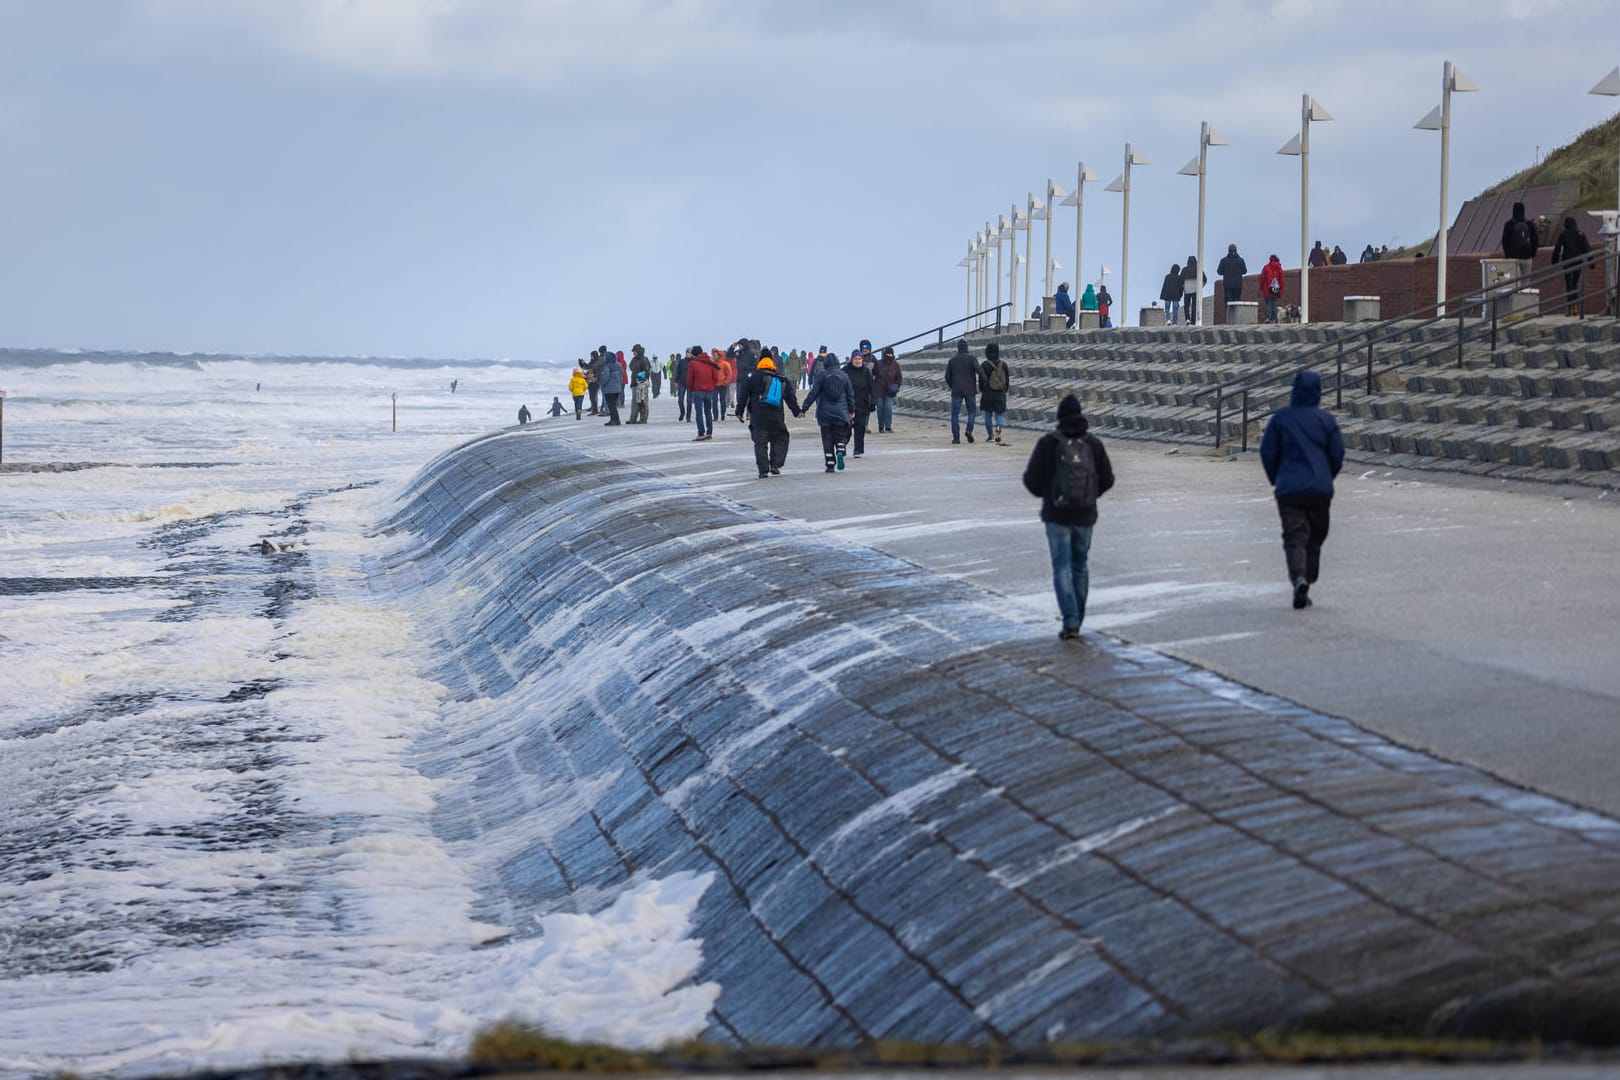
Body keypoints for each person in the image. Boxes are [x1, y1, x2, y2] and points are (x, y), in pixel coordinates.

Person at [1021, 394, 1115, 640]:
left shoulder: (1049, 443)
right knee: (1080, 566)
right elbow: (1108, 478)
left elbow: (1031, 479)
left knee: (1061, 567)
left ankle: (1070, 621)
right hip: (1085, 516)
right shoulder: (1093, 444)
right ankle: (1078, 618)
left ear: (1060, 417)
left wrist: (1049, 496)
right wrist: (1090, 496)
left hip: (1057, 516)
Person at [1259, 370, 1344, 611]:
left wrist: (1277, 478)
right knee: (1316, 537)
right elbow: (1337, 455)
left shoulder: (1280, 419)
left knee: (1295, 536)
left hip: (1289, 490)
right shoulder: (1326, 421)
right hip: (1319, 490)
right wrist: (1327, 476)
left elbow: (1267, 452)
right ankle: (1308, 577)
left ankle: (1299, 578)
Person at [735, 349, 802, 478]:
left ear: (760, 361)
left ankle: (763, 470)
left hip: (758, 417)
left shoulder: (754, 377)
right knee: (780, 438)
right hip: (776, 417)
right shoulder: (780, 378)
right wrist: (797, 411)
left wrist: (739, 412)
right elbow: (790, 397)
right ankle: (775, 465)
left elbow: (743, 396)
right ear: (772, 362)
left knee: (760, 443)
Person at [802, 352, 854, 472]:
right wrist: (851, 410)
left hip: (824, 413)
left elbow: (813, 394)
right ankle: (840, 450)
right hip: (841, 412)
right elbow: (850, 395)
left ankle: (830, 465)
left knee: (827, 439)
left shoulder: (822, 376)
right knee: (840, 434)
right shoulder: (844, 376)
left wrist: (804, 408)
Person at [1550, 215, 1592, 316]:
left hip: (1567, 261)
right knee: (1575, 283)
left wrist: (1554, 261)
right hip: (1578, 262)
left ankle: (1570, 308)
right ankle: (1575, 307)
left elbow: (1558, 248)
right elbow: (1587, 249)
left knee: (1569, 285)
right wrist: (1592, 263)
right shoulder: (1580, 234)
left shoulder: (1563, 234)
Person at [843, 347, 878, 458]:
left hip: (862, 404)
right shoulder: (845, 370)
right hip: (847, 405)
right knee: (846, 428)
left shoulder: (866, 371)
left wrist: (873, 402)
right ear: (852, 360)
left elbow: (872, 388)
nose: (858, 361)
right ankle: (841, 446)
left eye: (859, 359)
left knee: (860, 427)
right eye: (856, 359)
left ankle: (857, 450)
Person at [945, 338, 979, 444]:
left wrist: (952, 385)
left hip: (956, 390)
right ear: (967, 347)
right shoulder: (972, 359)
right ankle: (969, 430)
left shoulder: (952, 361)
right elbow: (980, 371)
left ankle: (956, 438)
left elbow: (947, 377)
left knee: (955, 414)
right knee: (972, 412)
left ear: (958, 348)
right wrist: (984, 383)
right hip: (970, 390)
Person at [684, 344, 720, 440]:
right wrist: (712, 386)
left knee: (699, 412)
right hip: (709, 391)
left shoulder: (693, 363)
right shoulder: (710, 362)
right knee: (708, 411)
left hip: (697, 390)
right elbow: (716, 377)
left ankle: (701, 433)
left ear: (694, 354)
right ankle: (709, 433)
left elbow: (689, 379)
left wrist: (690, 390)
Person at [979, 341, 1010, 445]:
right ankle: (998, 435)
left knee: (988, 415)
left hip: (987, 394)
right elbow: (1007, 381)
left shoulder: (984, 365)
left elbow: (981, 381)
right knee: (999, 416)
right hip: (1000, 394)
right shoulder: (1003, 364)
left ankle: (990, 436)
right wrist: (1003, 391)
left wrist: (982, 390)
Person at [1501, 202, 1540, 282]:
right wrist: (1532, 254)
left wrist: (1508, 255)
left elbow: (1505, 241)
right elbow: (1535, 240)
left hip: (1514, 258)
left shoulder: (1509, 224)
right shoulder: (1529, 224)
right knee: (1526, 282)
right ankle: (1525, 294)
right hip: (1527, 257)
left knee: (1515, 283)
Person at [873, 345, 902, 433]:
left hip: (890, 391)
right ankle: (881, 426)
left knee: (888, 408)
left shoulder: (896, 365)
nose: (889, 356)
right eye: (888, 354)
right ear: (885, 354)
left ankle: (888, 426)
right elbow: (873, 373)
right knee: (880, 408)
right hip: (879, 390)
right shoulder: (878, 363)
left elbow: (899, 377)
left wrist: (896, 386)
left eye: (891, 354)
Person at [599, 346, 625, 425]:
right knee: (613, 405)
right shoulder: (618, 365)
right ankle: (615, 420)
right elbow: (622, 375)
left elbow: (605, 378)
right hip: (617, 389)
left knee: (611, 406)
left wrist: (602, 384)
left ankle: (614, 420)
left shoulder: (607, 366)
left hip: (609, 389)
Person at [1217, 244, 1247, 309]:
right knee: (1236, 302)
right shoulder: (1241, 260)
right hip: (1238, 284)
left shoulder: (1224, 260)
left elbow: (1219, 272)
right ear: (1236, 250)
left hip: (1228, 284)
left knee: (1228, 302)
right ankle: (1236, 316)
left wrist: (1226, 272)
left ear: (1228, 250)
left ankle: (1229, 317)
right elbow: (1244, 271)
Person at [627, 345, 652, 423]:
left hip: (642, 384)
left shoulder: (644, 360)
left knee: (643, 401)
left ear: (638, 351)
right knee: (634, 402)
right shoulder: (634, 360)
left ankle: (643, 419)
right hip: (634, 383)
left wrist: (639, 377)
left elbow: (647, 372)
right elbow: (631, 367)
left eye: (634, 351)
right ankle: (633, 419)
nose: (633, 353)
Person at [1259, 254, 1285, 324]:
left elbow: (1262, 279)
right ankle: (1274, 318)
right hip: (1275, 288)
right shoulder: (1279, 268)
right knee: (1274, 303)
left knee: (1268, 303)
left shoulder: (1266, 267)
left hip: (1266, 288)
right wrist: (1281, 291)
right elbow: (1282, 281)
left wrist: (1261, 288)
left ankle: (1268, 318)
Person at [1181, 256, 1204, 325]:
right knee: (1194, 306)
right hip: (1196, 290)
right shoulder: (1198, 269)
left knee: (1186, 305)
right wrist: (1200, 287)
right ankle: (1193, 321)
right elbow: (1205, 279)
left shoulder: (1184, 270)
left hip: (1187, 290)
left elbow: (1181, 280)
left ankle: (1187, 319)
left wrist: (1183, 286)